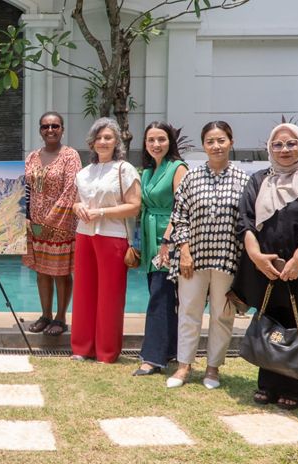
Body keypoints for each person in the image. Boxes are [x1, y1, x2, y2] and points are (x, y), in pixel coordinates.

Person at [232, 123, 298, 409]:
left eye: (291, 143)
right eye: (278, 145)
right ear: (270, 147)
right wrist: (255, 256)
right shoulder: (258, 180)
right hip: (267, 268)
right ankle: (268, 385)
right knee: (270, 323)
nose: (285, 150)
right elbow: (245, 221)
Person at [165, 121, 250, 389]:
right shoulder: (192, 177)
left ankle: (213, 369)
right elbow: (179, 217)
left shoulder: (244, 179)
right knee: (189, 311)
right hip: (194, 257)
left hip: (227, 257)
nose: (216, 146)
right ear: (204, 145)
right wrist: (185, 252)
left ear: (231, 142)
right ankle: (183, 366)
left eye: (221, 140)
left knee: (222, 314)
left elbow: (248, 221)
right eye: (210, 141)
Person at [71, 117, 141, 363]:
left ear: (116, 142)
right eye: (98, 137)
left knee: (110, 295)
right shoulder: (84, 173)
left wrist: (100, 212)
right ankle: (81, 347)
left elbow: (134, 207)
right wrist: (77, 206)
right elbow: (78, 200)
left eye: (108, 137)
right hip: (85, 234)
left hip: (113, 236)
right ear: (92, 142)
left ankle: (106, 351)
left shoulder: (124, 169)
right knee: (83, 292)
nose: (102, 142)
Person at [133, 121, 188, 376]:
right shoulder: (146, 172)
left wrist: (168, 240)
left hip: (168, 240)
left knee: (160, 296)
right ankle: (171, 351)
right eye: (151, 140)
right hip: (148, 237)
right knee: (160, 295)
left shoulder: (178, 168)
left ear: (170, 142)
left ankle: (152, 358)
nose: (156, 144)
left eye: (161, 139)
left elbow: (182, 207)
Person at [23, 112, 81, 337]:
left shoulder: (70, 156)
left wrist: (51, 219)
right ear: (40, 130)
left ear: (62, 129)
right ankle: (45, 314)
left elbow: (71, 190)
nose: (50, 130)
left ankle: (60, 318)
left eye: (55, 126)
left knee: (61, 272)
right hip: (35, 225)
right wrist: (26, 216)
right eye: (45, 126)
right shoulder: (32, 157)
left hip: (62, 224)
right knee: (41, 271)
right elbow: (26, 188)